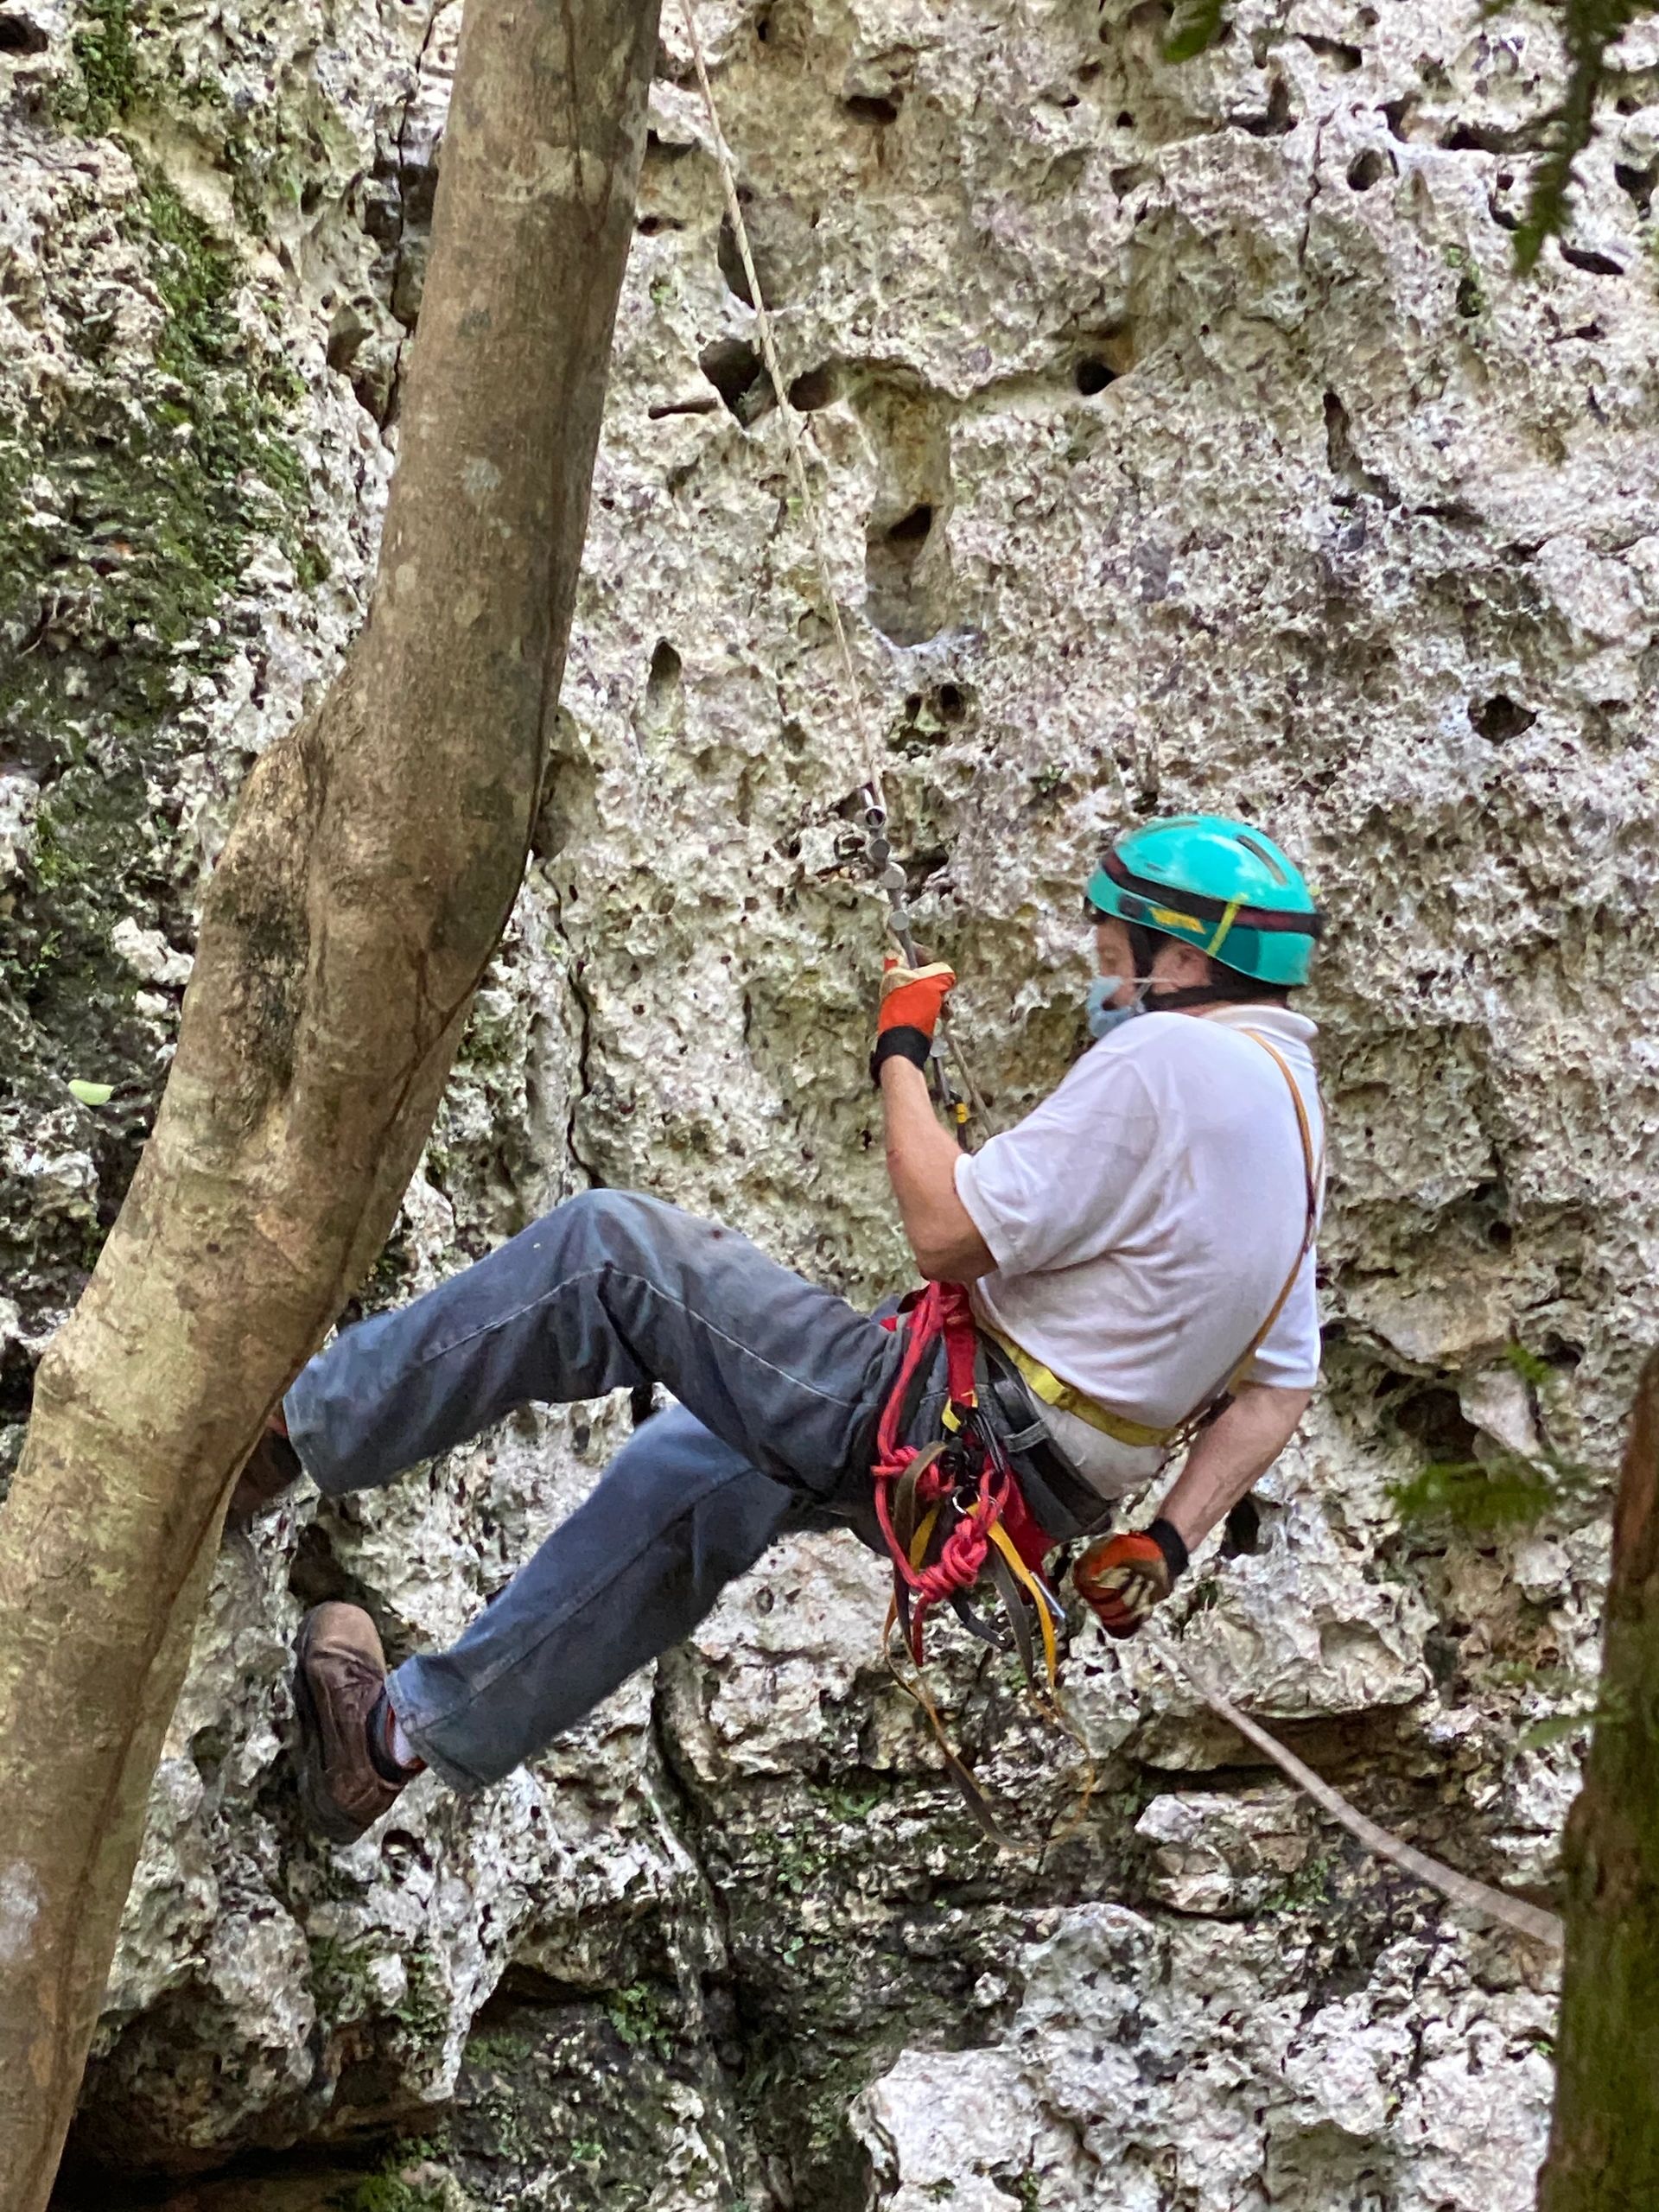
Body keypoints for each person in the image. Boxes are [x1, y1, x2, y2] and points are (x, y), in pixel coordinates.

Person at [245, 814, 1325, 1844]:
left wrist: (898, 1051)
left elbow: (946, 1232)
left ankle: (287, 1433)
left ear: (1178, 961)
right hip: (1031, 1491)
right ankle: (387, 1742)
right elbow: (1279, 1386)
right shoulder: (1293, 1114)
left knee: (609, 1254)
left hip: (940, 1422)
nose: (1103, 971)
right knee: (699, 1471)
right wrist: (1166, 1544)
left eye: (1112, 945)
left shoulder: (1172, 1061)